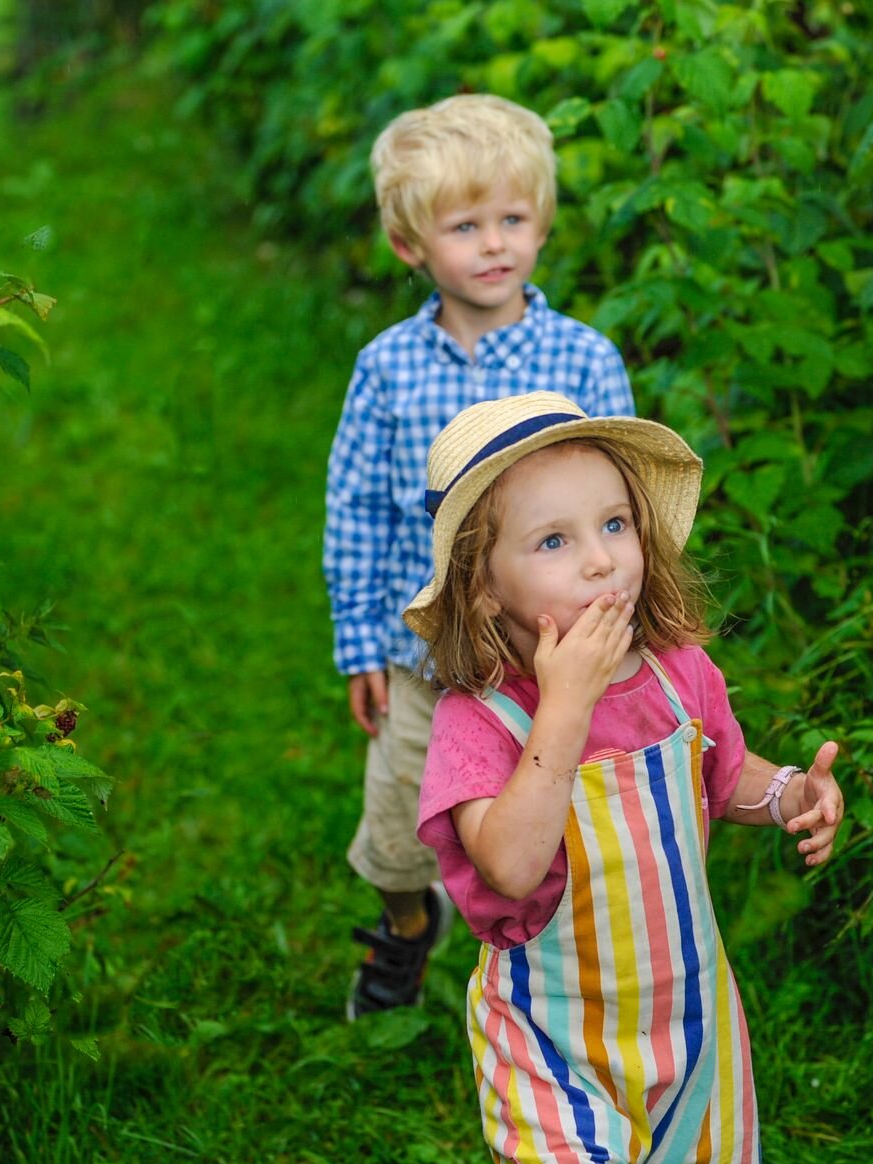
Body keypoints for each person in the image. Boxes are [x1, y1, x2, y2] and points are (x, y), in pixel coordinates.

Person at [407, 392, 848, 1164]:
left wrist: (788, 794)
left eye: (613, 524)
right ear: (485, 589)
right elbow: (511, 861)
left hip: (691, 1038)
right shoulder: (482, 723)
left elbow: (723, 773)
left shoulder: (678, 674)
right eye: (554, 541)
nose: (601, 558)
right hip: (553, 1045)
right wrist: (564, 704)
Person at [327, 93, 637, 1019]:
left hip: (553, 658)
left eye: (513, 219)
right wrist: (360, 642)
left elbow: (624, 510)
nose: (495, 244)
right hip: (426, 659)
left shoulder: (583, 361)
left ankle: (556, 972)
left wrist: (631, 623)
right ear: (410, 245)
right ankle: (407, 923)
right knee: (396, 834)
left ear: (542, 223)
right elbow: (357, 509)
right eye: (465, 227)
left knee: (552, 824)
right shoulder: (388, 369)